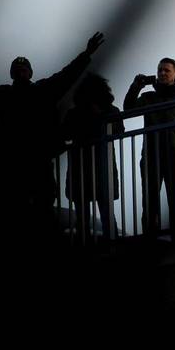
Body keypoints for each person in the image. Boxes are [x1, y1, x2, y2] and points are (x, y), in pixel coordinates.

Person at [0, 32, 105, 217]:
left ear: (29, 72)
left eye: (23, 69)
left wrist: (86, 54)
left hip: (33, 161)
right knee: (29, 207)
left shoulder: (32, 92)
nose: (21, 72)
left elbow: (68, 75)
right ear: (13, 74)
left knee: (38, 205)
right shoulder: (15, 94)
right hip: (20, 162)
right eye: (18, 70)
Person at [125, 58, 175, 242]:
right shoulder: (148, 97)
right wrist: (136, 86)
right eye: (160, 70)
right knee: (149, 202)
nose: (162, 73)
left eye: (166, 70)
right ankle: (151, 242)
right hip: (151, 156)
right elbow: (128, 109)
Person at [61, 73, 122, 242]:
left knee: (89, 215)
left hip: (86, 168)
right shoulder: (108, 111)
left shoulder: (75, 113)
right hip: (96, 168)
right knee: (102, 213)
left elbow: (65, 134)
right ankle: (110, 245)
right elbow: (120, 130)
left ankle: (88, 245)